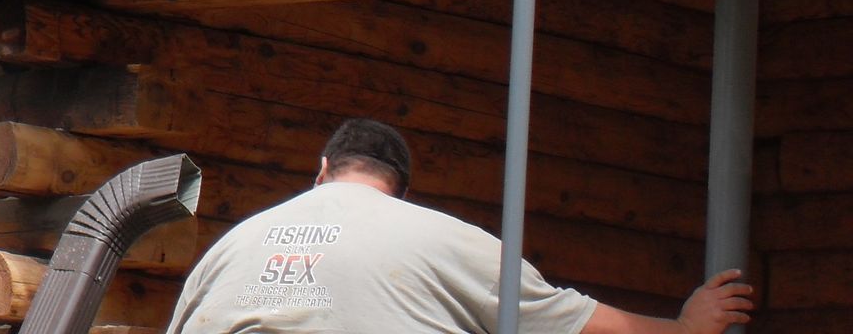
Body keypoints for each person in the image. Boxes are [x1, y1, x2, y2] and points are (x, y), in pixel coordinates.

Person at [164, 118, 753, 334]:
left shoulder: (232, 244)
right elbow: (568, 323)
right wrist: (686, 328)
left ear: (321, 172)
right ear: (402, 190)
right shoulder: (437, 237)